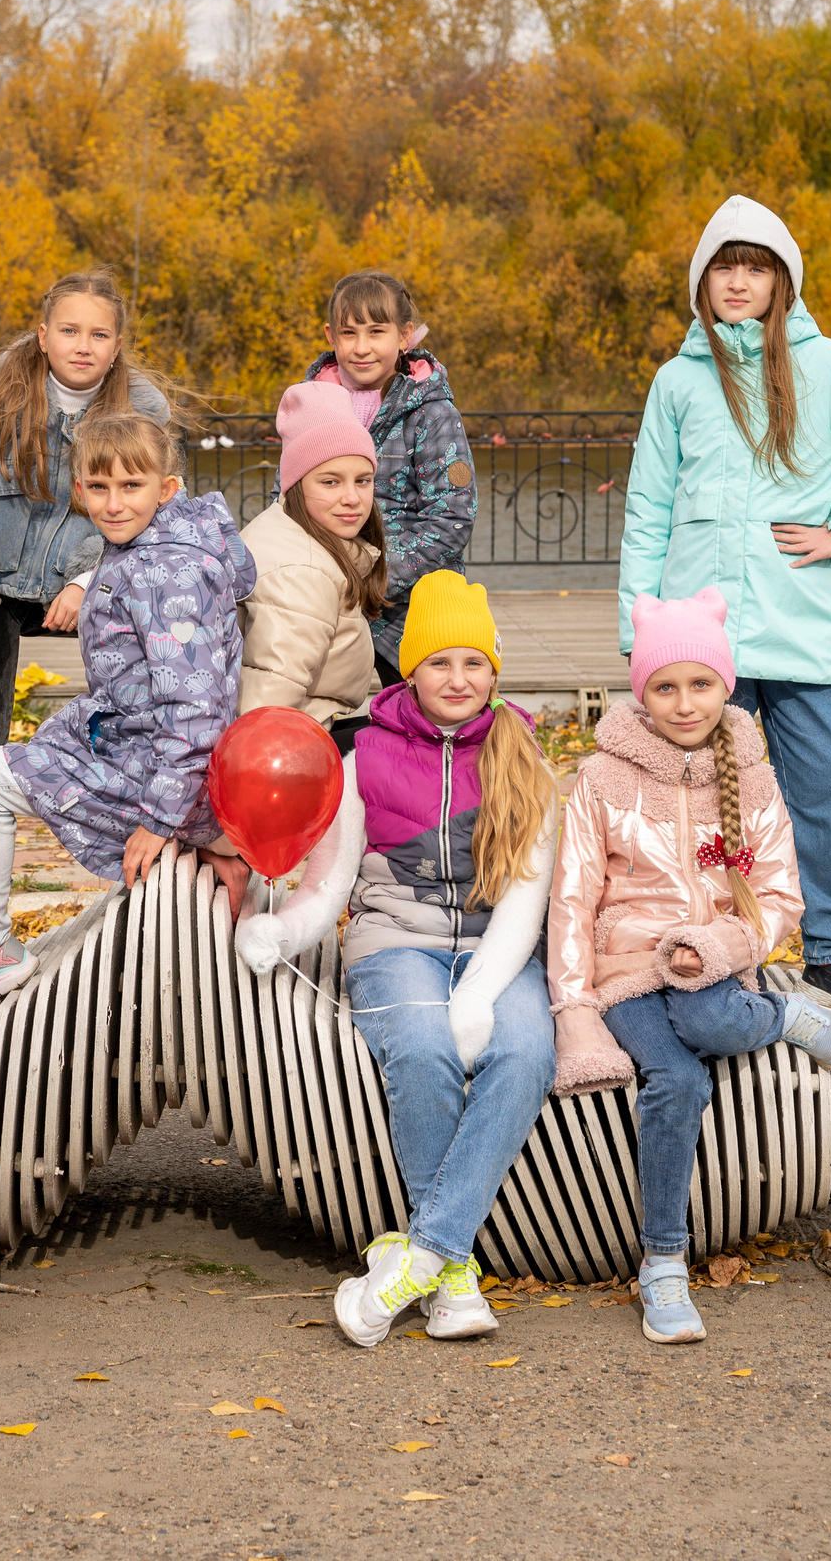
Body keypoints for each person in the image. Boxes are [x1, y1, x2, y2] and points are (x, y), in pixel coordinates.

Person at [617, 195, 831, 1029]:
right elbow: (648, 508)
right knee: (704, 802)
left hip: (797, 626)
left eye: (756, 267)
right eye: (725, 265)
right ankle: (723, 952)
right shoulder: (678, 380)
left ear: (781, 281)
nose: (738, 281)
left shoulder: (826, 364)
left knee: (821, 795)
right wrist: (639, 630)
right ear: (702, 280)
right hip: (698, 636)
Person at [236, 572, 560, 1347]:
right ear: (409, 668)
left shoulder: (526, 757)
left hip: (498, 947)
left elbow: (527, 895)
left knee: (526, 1051)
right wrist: (283, 931)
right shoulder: (364, 757)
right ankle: (452, 1276)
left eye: (474, 663)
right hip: (395, 945)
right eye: (440, 662)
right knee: (421, 1048)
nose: (459, 679)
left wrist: (481, 991)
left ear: (494, 671)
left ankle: (423, 1255)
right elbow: (333, 878)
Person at [548, 587, 831, 1346]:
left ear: (726, 685)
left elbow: (781, 891)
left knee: (711, 1015)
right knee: (679, 1077)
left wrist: (726, 946)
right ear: (641, 693)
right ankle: (663, 1263)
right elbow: (572, 893)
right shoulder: (602, 779)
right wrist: (573, 1003)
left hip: (714, 962)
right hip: (626, 970)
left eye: (700, 684)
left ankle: (783, 1013)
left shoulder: (750, 777)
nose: (684, 703)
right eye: (664, 686)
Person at [0, 414, 256, 1005]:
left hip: (169, 785)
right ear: (80, 488)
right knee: (31, 751)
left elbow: (194, 714)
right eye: (98, 487)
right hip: (150, 757)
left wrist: (158, 822)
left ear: (166, 489)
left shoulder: (165, 573)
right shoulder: (162, 547)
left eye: (131, 487)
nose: (113, 504)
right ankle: (213, 851)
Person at [0, 271, 175, 767]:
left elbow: (154, 514)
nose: (83, 346)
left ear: (116, 347)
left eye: (99, 334)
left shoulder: (140, 414)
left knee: (137, 623)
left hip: (81, 577)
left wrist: (88, 578)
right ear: (44, 337)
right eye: (69, 331)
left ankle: (122, 770)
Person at [304, 271, 475, 684]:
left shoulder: (433, 413)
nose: (361, 348)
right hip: (324, 602)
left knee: (417, 729)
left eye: (376, 332)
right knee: (322, 719)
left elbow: (452, 517)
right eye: (349, 333)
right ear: (331, 336)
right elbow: (286, 500)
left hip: (410, 614)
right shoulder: (312, 408)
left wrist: (374, 580)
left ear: (404, 336)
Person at [236, 382, 384, 757]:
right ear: (297, 484)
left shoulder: (289, 530)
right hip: (297, 745)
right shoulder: (302, 571)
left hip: (310, 724)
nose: (352, 498)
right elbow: (270, 701)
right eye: (330, 481)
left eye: (363, 481)